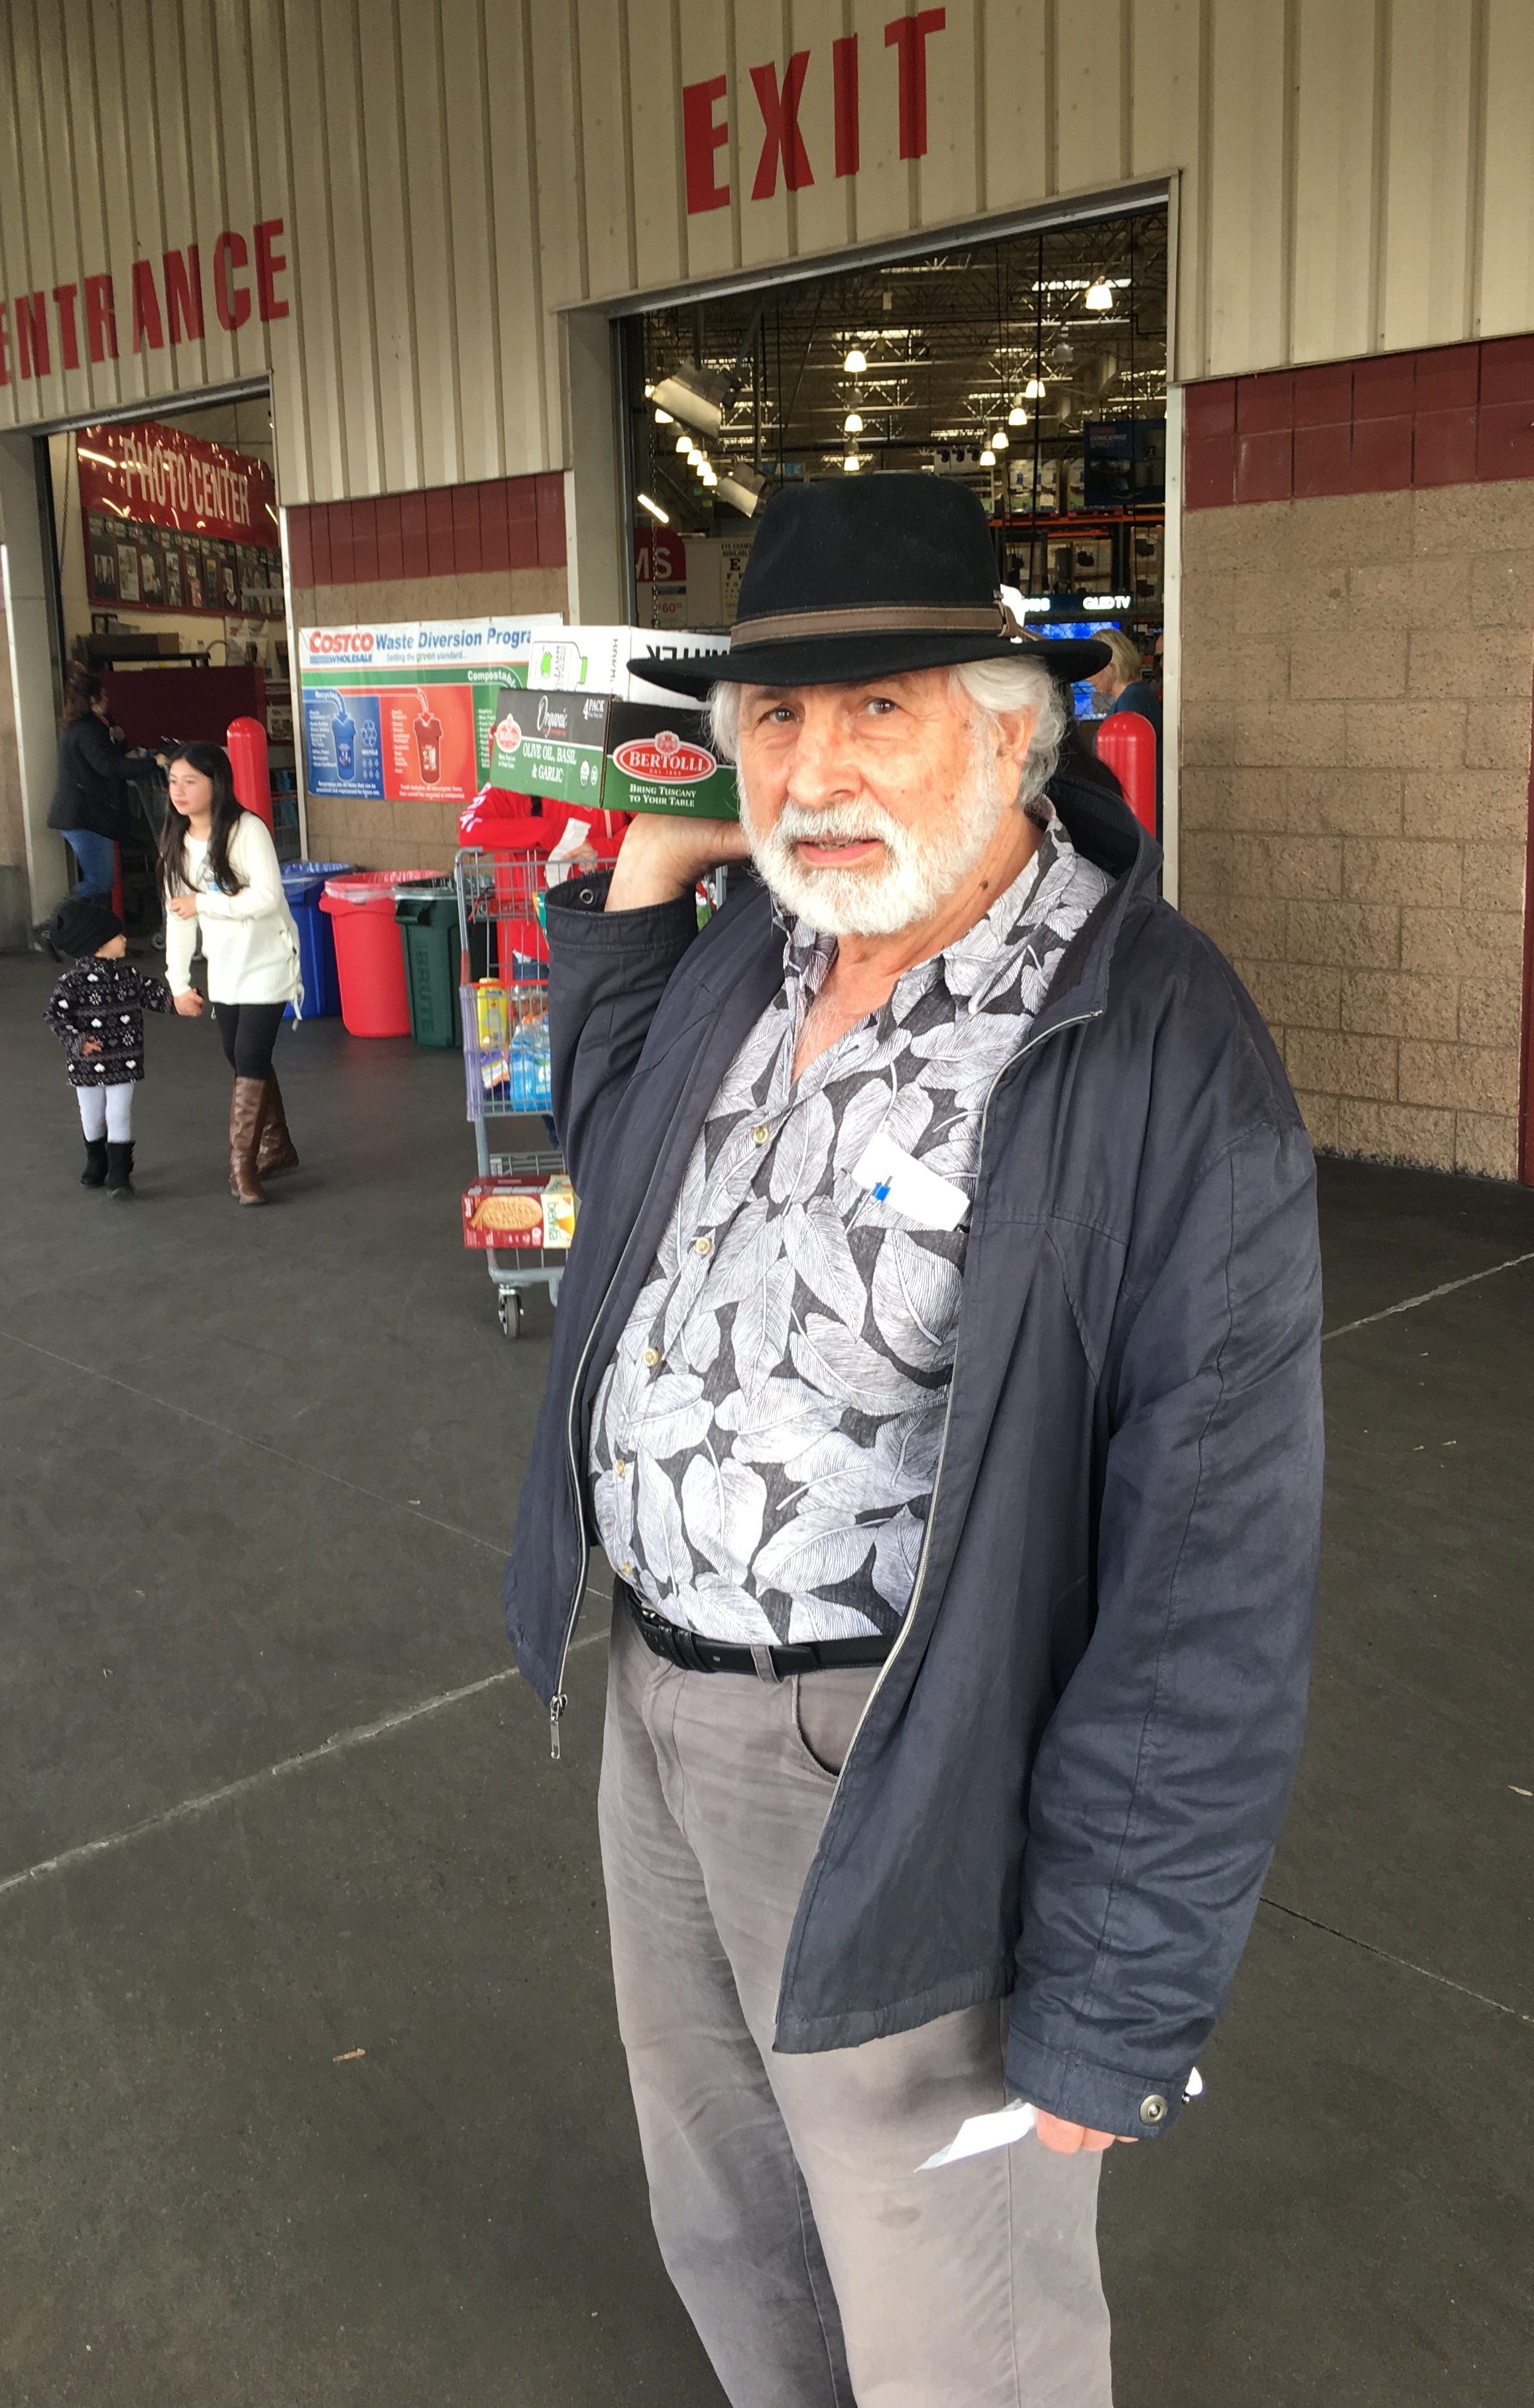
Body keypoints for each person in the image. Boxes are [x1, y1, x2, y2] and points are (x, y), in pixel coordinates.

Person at [502, 477, 1323, 2406]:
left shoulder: (1154, 1042)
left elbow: (1212, 1561)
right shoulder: (758, 947)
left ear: (1013, 730)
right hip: (658, 1707)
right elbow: (616, 1159)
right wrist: (649, 869)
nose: (814, 770)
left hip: (903, 1761)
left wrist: (1115, 1995)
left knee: (957, 2314)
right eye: (777, 716)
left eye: (880, 706)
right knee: (728, 2211)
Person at [158, 742, 302, 1206]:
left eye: (190, 781)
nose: (179, 791)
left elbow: (267, 898)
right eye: (173, 781)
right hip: (224, 966)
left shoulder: (246, 829)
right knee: (239, 1057)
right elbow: (178, 918)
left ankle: (243, 1168)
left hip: (268, 959)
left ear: (216, 783)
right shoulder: (176, 841)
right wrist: (178, 983)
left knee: (250, 1054)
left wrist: (204, 903)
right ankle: (277, 1145)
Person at [42, 896, 176, 1199]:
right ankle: (97, 1161)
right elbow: (55, 1016)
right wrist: (77, 1041)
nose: (125, 939)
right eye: (117, 935)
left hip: (124, 1060)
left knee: (119, 1114)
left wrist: (179, 1001)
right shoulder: (72, 983)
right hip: (86, 1064)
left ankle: (119, 1173)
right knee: (91, 1115)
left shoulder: (128, 977)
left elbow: (154, 994)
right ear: (98, 945)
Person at [44, 668, 158, 908]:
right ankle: (59, 918)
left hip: (81, 814)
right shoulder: (88, 730)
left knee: (101, 881)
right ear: (92, 700)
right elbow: (108, 766)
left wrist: (120, 742)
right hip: (86, 817)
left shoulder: (79, 727)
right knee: (100, 881)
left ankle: (89, 925)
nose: (107, 699)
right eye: (103, 695)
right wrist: (153, 764)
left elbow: (104, 759)